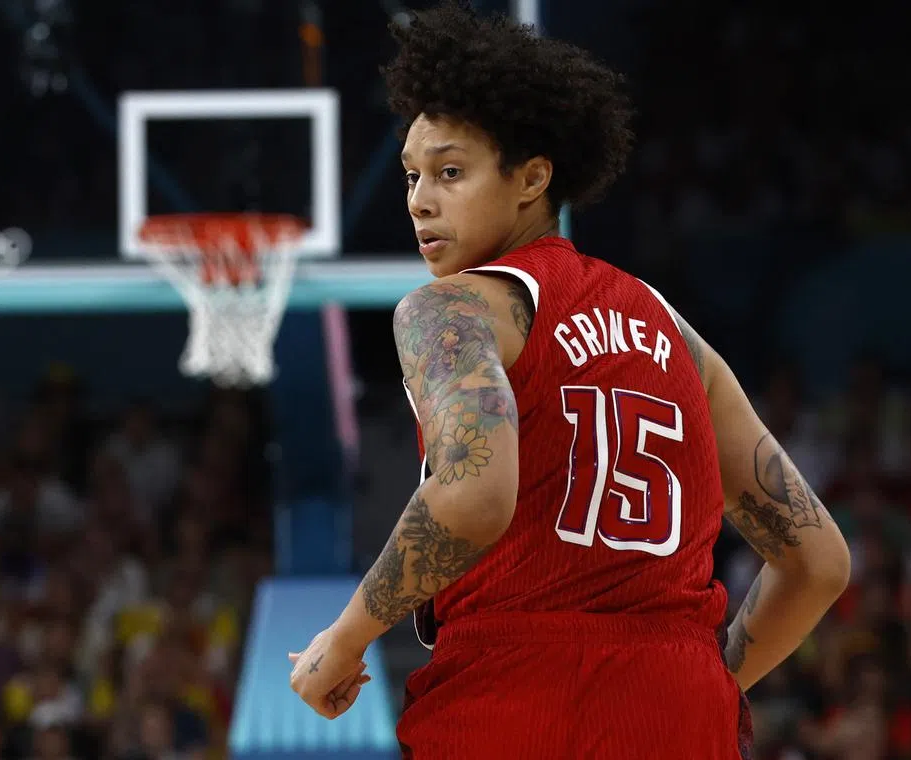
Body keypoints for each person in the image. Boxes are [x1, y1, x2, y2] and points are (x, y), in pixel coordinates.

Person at [289, 3, 851, 757]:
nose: (420, 198)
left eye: (451, 172)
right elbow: (818, 563)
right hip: (681, 705)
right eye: (413, 174)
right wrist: (709, 685)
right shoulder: (675, 332)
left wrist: (347, 637)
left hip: (517, 693)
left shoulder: (450, 310)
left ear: (531, 179)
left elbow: (473, 494)